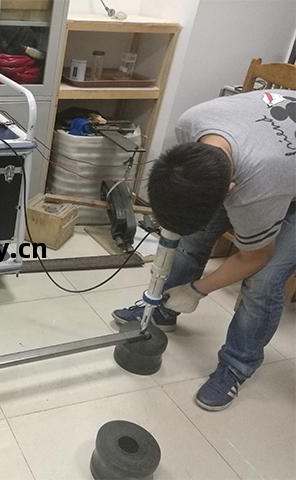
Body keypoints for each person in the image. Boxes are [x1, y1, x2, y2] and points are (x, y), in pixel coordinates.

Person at [113, 89, 296, 411]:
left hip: (281, 176)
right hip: (270, 159)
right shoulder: (191, 123)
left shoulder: (259, 186)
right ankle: (163, 308)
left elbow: (256, 256)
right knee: (193, 238)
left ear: (229, 192)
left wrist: (197, 290)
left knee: (264, 282)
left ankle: (237, 366)